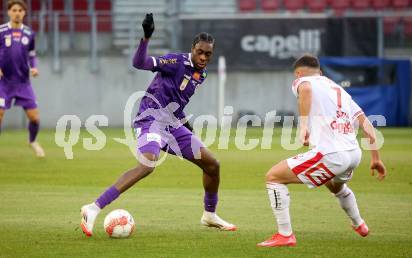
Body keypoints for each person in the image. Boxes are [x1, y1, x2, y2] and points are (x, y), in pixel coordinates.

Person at [80, 13, 236, 237]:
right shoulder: (176, 62)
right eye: (200, 52)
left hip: (172, 125)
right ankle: (93, 208)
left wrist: (187, 128)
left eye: (208, 54)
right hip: (150, 120)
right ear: (192, 49)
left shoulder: (200, 74)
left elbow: (177, 103)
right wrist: (146, 37)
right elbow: (139, 63)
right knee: (147, 165)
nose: (203, 57)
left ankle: (209, 215)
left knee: (213, 165)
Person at [257, 54, 387, 247]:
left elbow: (306, 88)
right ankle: (359, 224)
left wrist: (303, 127)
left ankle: (285, 235)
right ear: (320, 71)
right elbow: (367, 125)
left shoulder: (303, 81)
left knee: (273, 177)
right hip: (353, 154)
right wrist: (376, 158)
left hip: (331, 154)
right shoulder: (340, 90)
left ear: (298, 73)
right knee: (335, 186)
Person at [0, 0, 44, 157]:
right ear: (9, 12)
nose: (17, 13)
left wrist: (34, 67)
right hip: (4, 83)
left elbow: (32, 55)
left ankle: (32, 141)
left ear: (24, 13)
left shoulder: (29, 33)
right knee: (0, 113)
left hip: (23, 83)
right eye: (14, 10)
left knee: (35, 118)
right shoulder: (1, 31)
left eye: (20, 10)